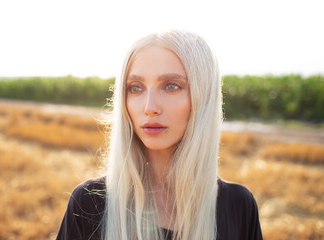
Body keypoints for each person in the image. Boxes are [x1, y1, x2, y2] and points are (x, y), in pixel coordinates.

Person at [56, 30, 263, 240]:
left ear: (204, 97)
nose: (150, 107)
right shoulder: (89, 204)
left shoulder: (239, 206)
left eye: (171, 86)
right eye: (136, 88)